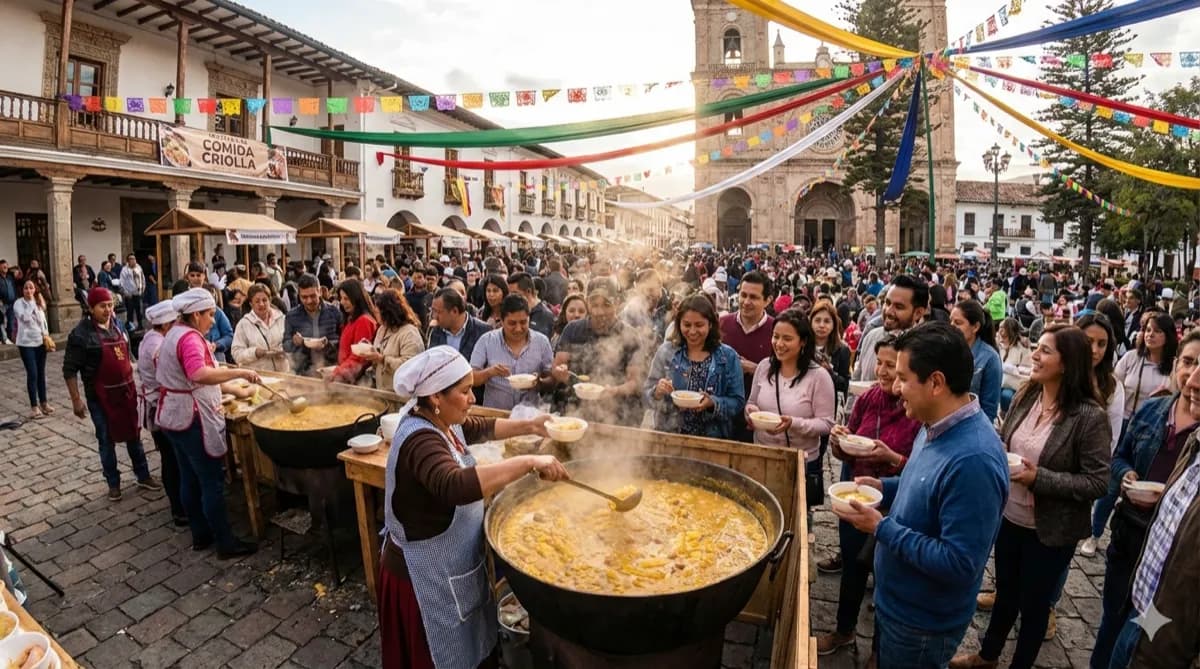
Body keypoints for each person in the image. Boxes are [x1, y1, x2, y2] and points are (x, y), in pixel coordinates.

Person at [379, 346, 568, 669]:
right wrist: (529, 462)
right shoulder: (419, 439)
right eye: (465, 391)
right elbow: (453, 485)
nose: (472, 398)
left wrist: (530, 426)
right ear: (436, 396)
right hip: (422, 580)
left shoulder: (442, 420)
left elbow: (480, 427)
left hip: (452, 569)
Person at [834, 321, 1008, 669]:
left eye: (903, 378)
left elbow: (959, 563)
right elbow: (925, 486)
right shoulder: (933, 425)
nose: (895, 388)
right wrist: (883, 487)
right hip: (897, 601)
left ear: (936, 383)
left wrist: (881, 529)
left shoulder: (974, 460)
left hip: (922, 623)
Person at [951, 325, 1111, 669]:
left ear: (1067, 363)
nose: (1034, 356)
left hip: (1051, 530)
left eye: (1044, 351)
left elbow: (1098, 482)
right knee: (1005, 592)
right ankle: (988, 655)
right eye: (1035, 348)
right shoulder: (1027, 394)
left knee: (1034, 604)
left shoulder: (1089, 417)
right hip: (1010, 515)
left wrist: (1039, 478)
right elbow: (1009, 439)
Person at [1089, 330, 1200, 669]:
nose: (1192, 375)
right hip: (1132, 536)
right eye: (1188, 362)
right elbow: (1120, 455)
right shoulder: (1153, 411)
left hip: (1172, 570)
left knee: (1142, 631)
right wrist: (1125, 474)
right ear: (1177, 364)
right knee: (1113, 620)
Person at [818, 333, 922, 663]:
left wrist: (892, 458)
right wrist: (840, 440)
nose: (883, 370)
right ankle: (844, 630)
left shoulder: (915, 410)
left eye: (892, 365)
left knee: (885, 576)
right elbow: (845, 450)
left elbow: (919, 468)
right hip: (855, 493)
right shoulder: (867, 399)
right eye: (880, 363)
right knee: (852, 566)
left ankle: (879, 649)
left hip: (893, 502)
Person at [156, 288, 258, 559]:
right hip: (192, 418)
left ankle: (201, 535)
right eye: (210, 315)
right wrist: (240, 371)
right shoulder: (189, 338)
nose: (212, 320)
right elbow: (198, 373)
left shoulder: (174, 332)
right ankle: (225, 543)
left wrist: (234, 389)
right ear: (195, 314)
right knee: (211, 481)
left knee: (189, 476)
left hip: (174, 417)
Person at [63, 287, 163, 501]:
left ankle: (143, 475)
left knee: (133, 435)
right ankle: (113, 483)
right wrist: (76, 400)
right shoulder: (80, 334)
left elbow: (127, 355)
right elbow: (69, 370)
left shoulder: (118, 326)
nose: (108, 310)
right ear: (91, 308)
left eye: (109, 305)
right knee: (106, 440)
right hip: (101, 398)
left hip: (126, 392)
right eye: (102, 306)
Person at [744, 308, 835, 491]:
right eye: (776, 337)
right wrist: (750, 413)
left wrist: (793, 423)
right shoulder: (764, 367)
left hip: (801, 461)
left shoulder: (819, 377)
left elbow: (826, 424)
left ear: (802, 342)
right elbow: (751, 402)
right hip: (762, 455)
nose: (779, 344)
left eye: (787, 339)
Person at [644, 295, 745, 439]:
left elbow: (737, 401)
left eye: (699, 325)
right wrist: (657, 391)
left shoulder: (727, 357)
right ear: (678, 324)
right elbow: (646, 394)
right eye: (686, 325)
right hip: (669, 436)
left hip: (712, 440)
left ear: (710, 324)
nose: (692, 331)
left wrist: (713, 403)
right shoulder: (666, 352)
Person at [551, 279, 644, 426]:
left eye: (606, 305)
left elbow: (635, 381)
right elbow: (557, 367)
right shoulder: (573, 329)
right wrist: (561, 372)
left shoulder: (630, 336)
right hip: (574, 411)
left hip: (615, 415)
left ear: (618, 302)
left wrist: (615, 390)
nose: (599, 312)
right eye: (594, 305)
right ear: (588, 303)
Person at [1075, 312, 1127, 558]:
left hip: (1080, 474)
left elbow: (1111, 439)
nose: (1094, 350)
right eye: (1088, 341)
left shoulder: (1112, 387)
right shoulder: (1060, 372)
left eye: (1102, 344)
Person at [137, 302, 188, 526]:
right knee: (173, 459)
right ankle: (179, 509)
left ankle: (179, 505)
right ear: (166, 324)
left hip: (156, 403)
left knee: (170, 458)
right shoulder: (157, 345)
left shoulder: (150, 337)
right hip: (161, 405)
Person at [471, 295, 554, 410]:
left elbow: (550, 377)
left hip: (530, 415)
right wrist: (489, 372)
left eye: (523, 322)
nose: (518, 328)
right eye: (512, 323)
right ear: (502, 320)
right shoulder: (487, 340)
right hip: (496, 417)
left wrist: (539, 382)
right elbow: (471, 378)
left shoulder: (541, 342)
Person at [719, 271, 774, 442]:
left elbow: (785, 374)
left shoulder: (777, 330)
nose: (746, 302)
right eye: (743, 295)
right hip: (722, 411)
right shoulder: (722, 324)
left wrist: (755, 368)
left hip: (758, 415)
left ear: (768, 300)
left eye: (754, 297)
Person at [853, 275, 928, 383]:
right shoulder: (871, 337)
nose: (888, 311)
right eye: (887, 303)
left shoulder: (924, 351)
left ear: (918, 313)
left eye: (898, 307)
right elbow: (856, 381)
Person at [1114, 311, 1177, 426]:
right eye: (1148, 330)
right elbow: (1113, 386)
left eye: (1157, 331)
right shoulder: (1131, 357)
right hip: (1124, 421)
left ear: (1168, 336)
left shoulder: (1175, 365)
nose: (1150, 334)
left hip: (1153, 427)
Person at [950, 300, 1003, 422]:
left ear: (975, 327)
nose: (951, 326)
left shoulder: (990, 358)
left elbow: (989, 409)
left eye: (958, 323)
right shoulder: (947, 350)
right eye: (951, 321)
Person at [361, 289, 424, 391]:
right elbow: (379, 351)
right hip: (383, 390)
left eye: (377, 313)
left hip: (401, 395)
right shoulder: (382, 329)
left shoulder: (409, 333)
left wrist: (382, 359)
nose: (375, 316)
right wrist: (370, 352)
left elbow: (411, 367)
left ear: (388, 313)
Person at [283, 274, 341, 375]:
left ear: (320, 291)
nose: (309, 301)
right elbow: (285, 345)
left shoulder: (334, 312)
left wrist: (328, 345)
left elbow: (343, 342)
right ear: (299, 295)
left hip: (330, 370)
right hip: (304, 371)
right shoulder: (292, 316)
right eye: (304, 297)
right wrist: (295, 342)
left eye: (313, 296)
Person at [329, 279, 379, 385]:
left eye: (346, 298)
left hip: (357, 380)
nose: (342, 302)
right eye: (341, 298)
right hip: (347, 375)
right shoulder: (351, 319)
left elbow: (359, 357)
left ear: (356, 299)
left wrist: (336, 372)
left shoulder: (364, 321)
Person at [14, 279, 51, 419]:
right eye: (26, 288)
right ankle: (34, 407)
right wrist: (32, 303)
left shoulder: (39, 303)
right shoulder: (19, 303)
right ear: (22, 290)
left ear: (35, 289)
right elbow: (25, 319)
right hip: (26, 343)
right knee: (33, 373)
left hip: (40, 342)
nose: (29, 291)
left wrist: (47, 337)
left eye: (31, 288)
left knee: (41, 373)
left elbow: (43, 322)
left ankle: (44, 403)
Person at [231, 284, 289, 372]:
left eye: (264, 300)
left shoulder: (281, 318)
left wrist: (284, 349)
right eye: (257, 301)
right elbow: (236, 354)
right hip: (257, 376)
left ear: (270, 300)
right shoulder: (244, 324)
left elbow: (290, 342)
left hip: (283, 374)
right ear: (251, 304)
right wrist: (255, 353)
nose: (261, 304)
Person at [428, 288, 491, 363]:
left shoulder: (483, 332)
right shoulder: (436, 332)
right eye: (433, 311)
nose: (434, 317)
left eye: (438, 312)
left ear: (454, 311)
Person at [810, 302, 850, 399]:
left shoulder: (842, 350)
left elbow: (844, 385)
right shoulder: (802, 347)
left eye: (827, 321)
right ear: (811, 322)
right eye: (817, 320)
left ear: (833, 325)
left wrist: (830, 373)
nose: (822, 325)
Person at [998, 317, 1032, 413]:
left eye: (1002, 328)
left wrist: (1011, 368)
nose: (1000, 331)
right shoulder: (999, 345)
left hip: (1015, 385)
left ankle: (1006, 416)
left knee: (1006, 396)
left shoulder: (1023, 348)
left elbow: (1028, 370)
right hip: (1000, 382)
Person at [506, 272, 554, 339]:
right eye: (509, 294)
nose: (511, 298)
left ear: (528, 291)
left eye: (514, 293)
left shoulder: (545, 315)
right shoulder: (511, 311)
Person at [118, 254, 146, 331]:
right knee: (130, 311)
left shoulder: (139, 267)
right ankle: (130, 327)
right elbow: (122, 283)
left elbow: (143, 279)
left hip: (138, 293)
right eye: (131, 259)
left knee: (139, 311)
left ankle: (140, 325)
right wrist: (126, 293)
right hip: (129, 295)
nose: (133, 260)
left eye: (134, 259)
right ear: (128, 261)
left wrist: (143, 289)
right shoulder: (124, 270)